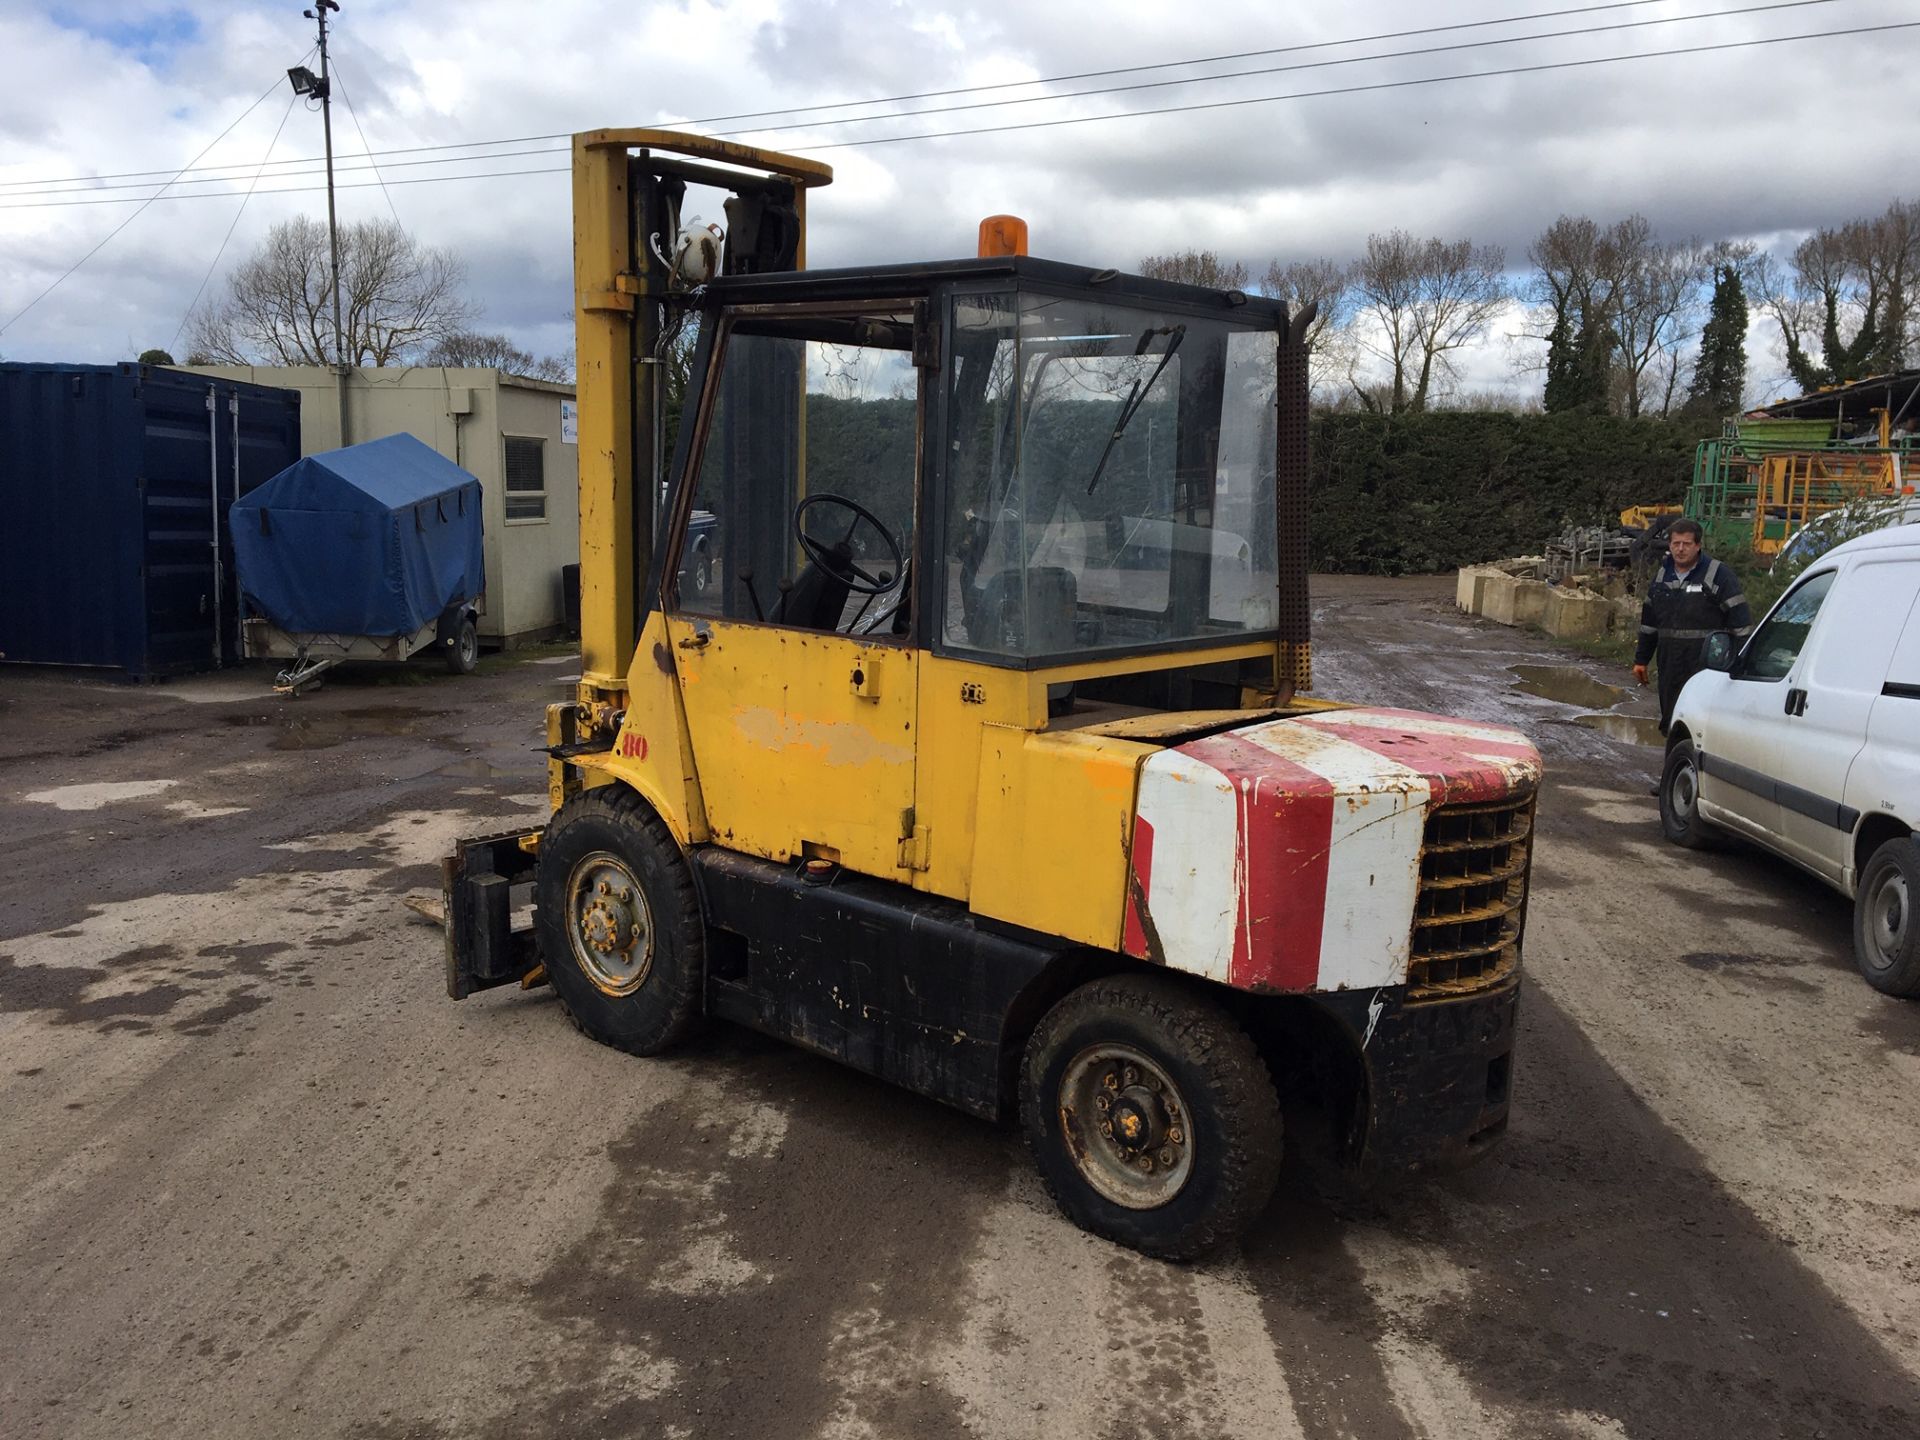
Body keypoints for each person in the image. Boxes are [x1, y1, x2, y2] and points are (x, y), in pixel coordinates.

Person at [1633, 518, 1753, 734]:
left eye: (1686, 544)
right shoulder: (1661, 576)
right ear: (1669, 545)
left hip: (1705, 664)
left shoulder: (1718, 575)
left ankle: (1695, 763)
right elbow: (1649, 624)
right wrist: (1641, 659)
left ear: (1698, 545)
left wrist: (1740, 664)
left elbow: (1741, 625)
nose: (1680, 549)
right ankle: (1674, 763)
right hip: (1669, 662)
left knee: (1700, 723)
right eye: (1675, 543)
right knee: (1671, 720)